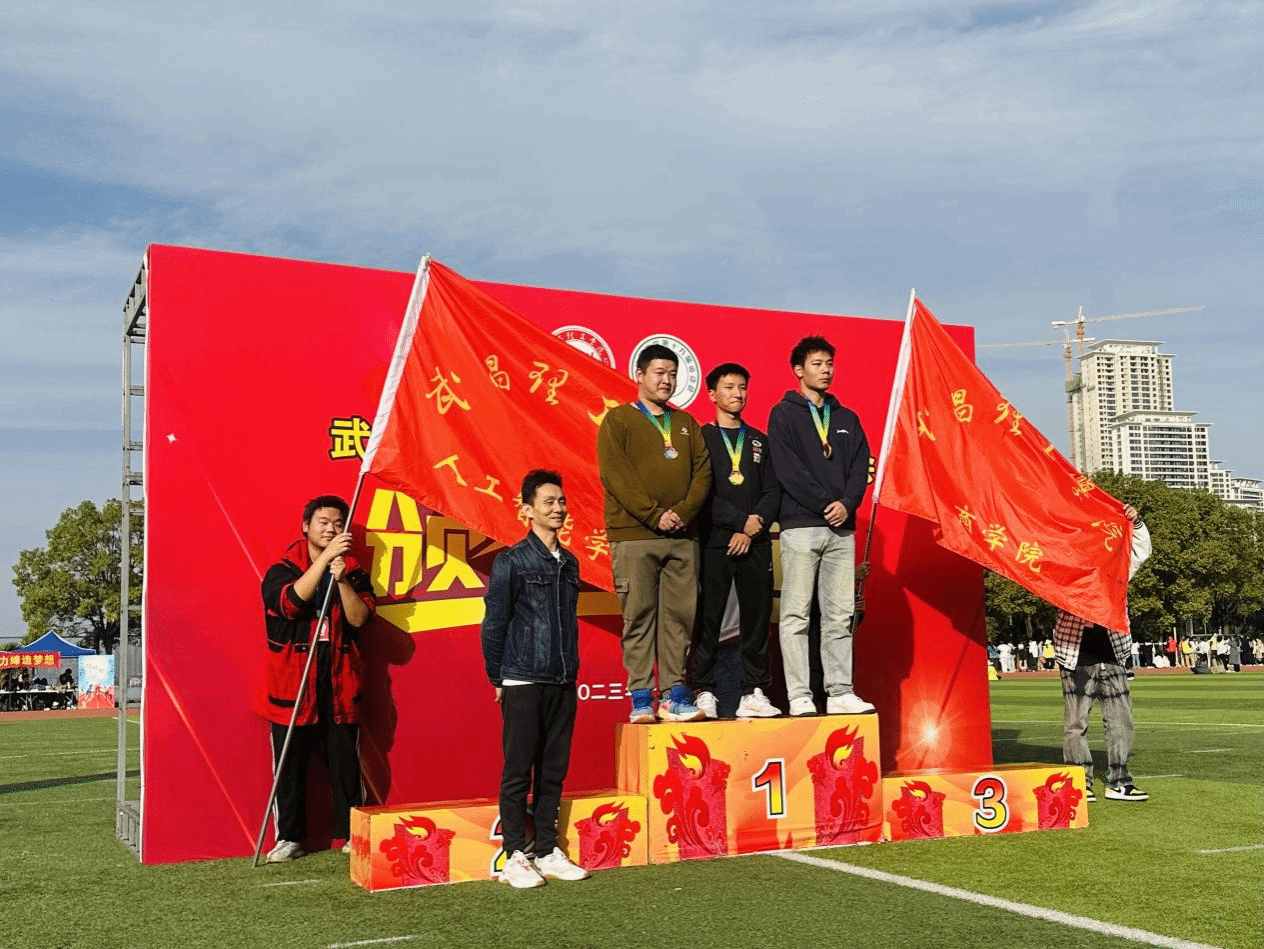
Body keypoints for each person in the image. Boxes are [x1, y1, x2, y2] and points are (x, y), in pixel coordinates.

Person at [481, 469, 590, 888]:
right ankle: (514, 855)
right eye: (548, 502)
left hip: (562, 678)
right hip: (522, 679)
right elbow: (494, 625)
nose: (558, 508)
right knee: (518, 771)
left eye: (561, 501)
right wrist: (499, 677)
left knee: (553, 771)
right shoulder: (511, 561)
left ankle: (547, 850)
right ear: (527, 510)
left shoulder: (570, 562)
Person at [256, 495, 375, 863]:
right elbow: (290, 603)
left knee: (345, 765)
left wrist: (341, 579)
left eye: (338, 523)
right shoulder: (281, 570)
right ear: (306, 526)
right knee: (289, 767)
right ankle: (289, 838)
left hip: (339, 684)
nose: (331, 529)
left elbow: (360, 618)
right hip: (293, 686)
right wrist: (324, 561)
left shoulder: (354, 572)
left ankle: (352, 833)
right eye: (323, 522)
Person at [597, 343, 712, 724]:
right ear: (640, 375)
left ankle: (675, 694)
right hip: (634, 534)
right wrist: (654, 515)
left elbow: (703, 474)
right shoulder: (618, 420)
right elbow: (616, 476)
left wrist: (682, 513)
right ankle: (642, 698)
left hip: (683, 536)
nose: (667, 380)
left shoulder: (686, 423)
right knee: (639, 616)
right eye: (659, 372)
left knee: (679, 618)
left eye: (672, 374)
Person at [768, 336, 874, 716]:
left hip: (841, 530)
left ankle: (840, 691)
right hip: (800, 526)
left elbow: (860, 467)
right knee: (796, 614)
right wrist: (825, 503)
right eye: (817, 364)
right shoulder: (783, 414)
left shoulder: (847, 419)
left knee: (839, 614)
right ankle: (799, 695)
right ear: (799, 370)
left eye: (829, 363)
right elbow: (787, 469)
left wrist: (847, 504)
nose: (825, 370)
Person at [690, 363, 782, 720]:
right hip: (716, 542)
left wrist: (751, 527)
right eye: (729, 387)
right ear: (712, 394)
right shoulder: (700, 439)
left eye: (742, 387)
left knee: (756, 619)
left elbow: (773, 491)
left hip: (755, 541)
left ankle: (753, 691)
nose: (737, 394)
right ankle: (705, 690)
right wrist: (736, 524)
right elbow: (700, 493)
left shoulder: (759, 440)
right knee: (708, 617)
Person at [1054, 504, 1152, 803]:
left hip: (1113, 652)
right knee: (1076, 724)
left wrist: (1136, 523)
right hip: (1074, 654)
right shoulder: (1063, 573)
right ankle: (1079, 781)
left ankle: (1119, 780)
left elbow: (1141, 551)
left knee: (1121, 721)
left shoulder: (1115, 569)